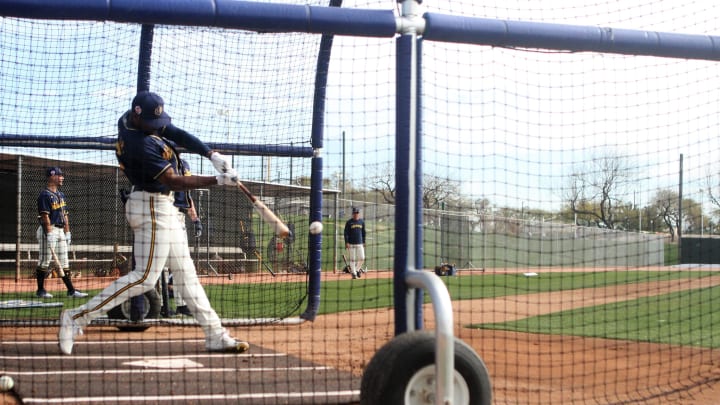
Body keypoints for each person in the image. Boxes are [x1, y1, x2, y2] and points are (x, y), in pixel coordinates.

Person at [58, 91, 247, 355]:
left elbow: (175, 132)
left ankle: (214, 333)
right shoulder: (139, 144)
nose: (159, 127)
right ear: (138, 116)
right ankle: (77, 317)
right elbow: (173, 181)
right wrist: (216, 180)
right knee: (145, 278)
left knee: (186, 276)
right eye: (152, 123)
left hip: (162, 206)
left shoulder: (133, 120)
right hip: (150, 206)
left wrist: (210, 153)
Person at [35, 167, 88, 299]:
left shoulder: (61, 195)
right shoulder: (44, 195)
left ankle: (71, 291)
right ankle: (40, 290)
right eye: (59, 175)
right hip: (48, 230)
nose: (62, 177)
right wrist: (49, 233)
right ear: (52, 177)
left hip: (60, 231)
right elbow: (44, 216)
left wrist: (67, 232)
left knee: (64, 261)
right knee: (44, 261)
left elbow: (65, 215)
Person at [170, 158, 202, 317]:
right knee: (161, 264)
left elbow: (187, 197)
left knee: (181, 262)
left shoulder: (183, 164)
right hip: (167, 213)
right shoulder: (163, 163)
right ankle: (160, 304)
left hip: (180, 217)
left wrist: (195, 219)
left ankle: (181, 305)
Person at [344, 207, 366, 279]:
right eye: (354, 213)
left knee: (362, 258)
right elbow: (346, 233)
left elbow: (363, 232)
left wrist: (364, 241)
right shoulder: (349, 222)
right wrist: (346, 242)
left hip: (360, 243)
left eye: (356, 213)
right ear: (352, 214)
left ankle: (357, 270)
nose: (355, 214)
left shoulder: (362, 222)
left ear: (358, 214)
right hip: (351, 243)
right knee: (352, 259)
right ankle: (353, 273)